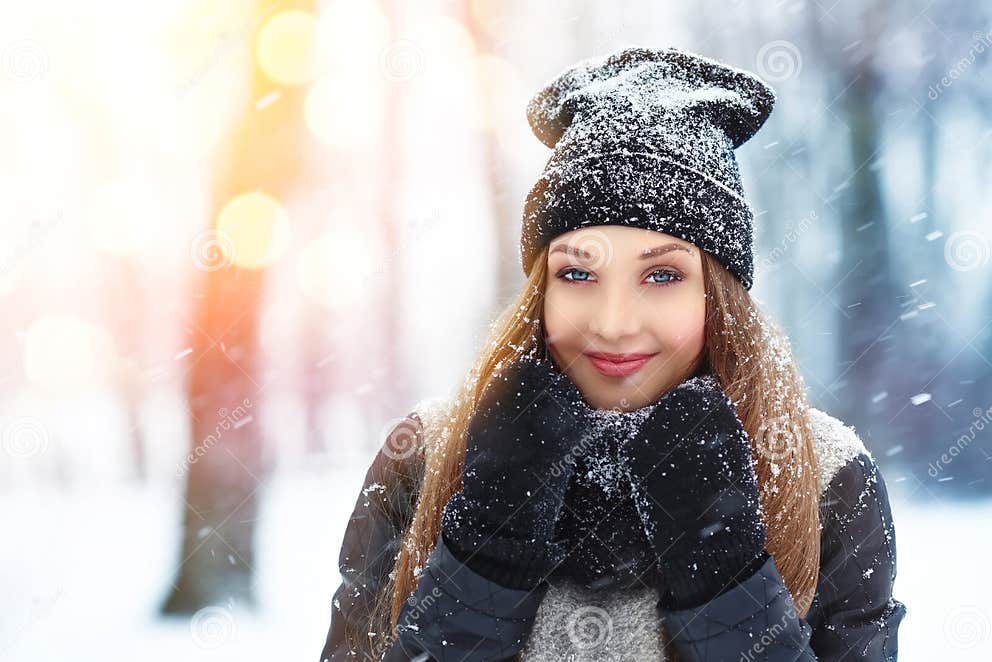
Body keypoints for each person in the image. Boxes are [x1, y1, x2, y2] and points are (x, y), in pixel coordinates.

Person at [318, 45, 907, 661]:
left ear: (718, 296)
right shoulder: (424, 454)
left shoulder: (826, 476)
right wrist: (482, 562)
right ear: (540, 291)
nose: (615, 323)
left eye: (661, 277)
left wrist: (730, 587)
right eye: (577, 274)